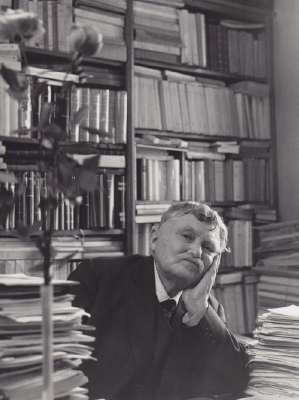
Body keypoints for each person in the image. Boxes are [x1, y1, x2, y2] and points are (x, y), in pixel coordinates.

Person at [69, 201, 249, 400]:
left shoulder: (207, 311)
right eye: (187, 237)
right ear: (154, 238)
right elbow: (50, 361)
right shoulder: (98, 278)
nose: (196, 252)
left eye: (208, 248)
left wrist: (199, 309)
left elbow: (235, 382)